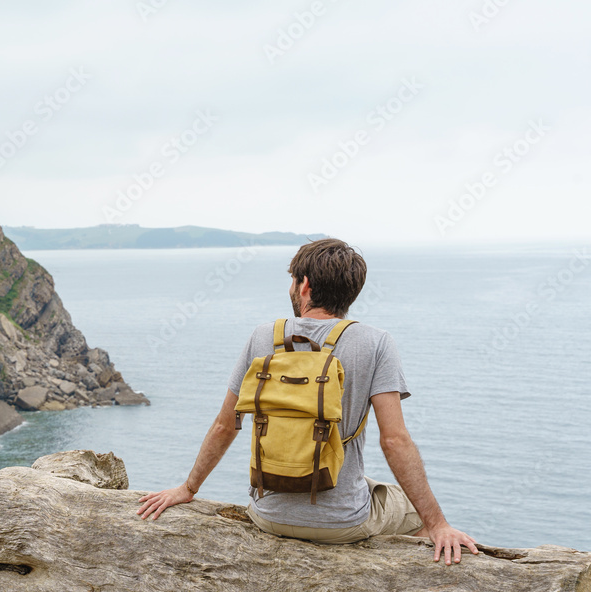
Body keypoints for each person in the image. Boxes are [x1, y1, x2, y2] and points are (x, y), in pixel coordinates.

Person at [136, 238, 478, 566]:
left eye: (292, 281)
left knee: (374, 487)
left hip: (268, 516)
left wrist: (188, 487)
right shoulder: (376, 343)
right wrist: (437, 523)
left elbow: (227, 425)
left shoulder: (262, 337)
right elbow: (394, 440)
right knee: (409, 509)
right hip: (342, 524)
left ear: (305, 286)